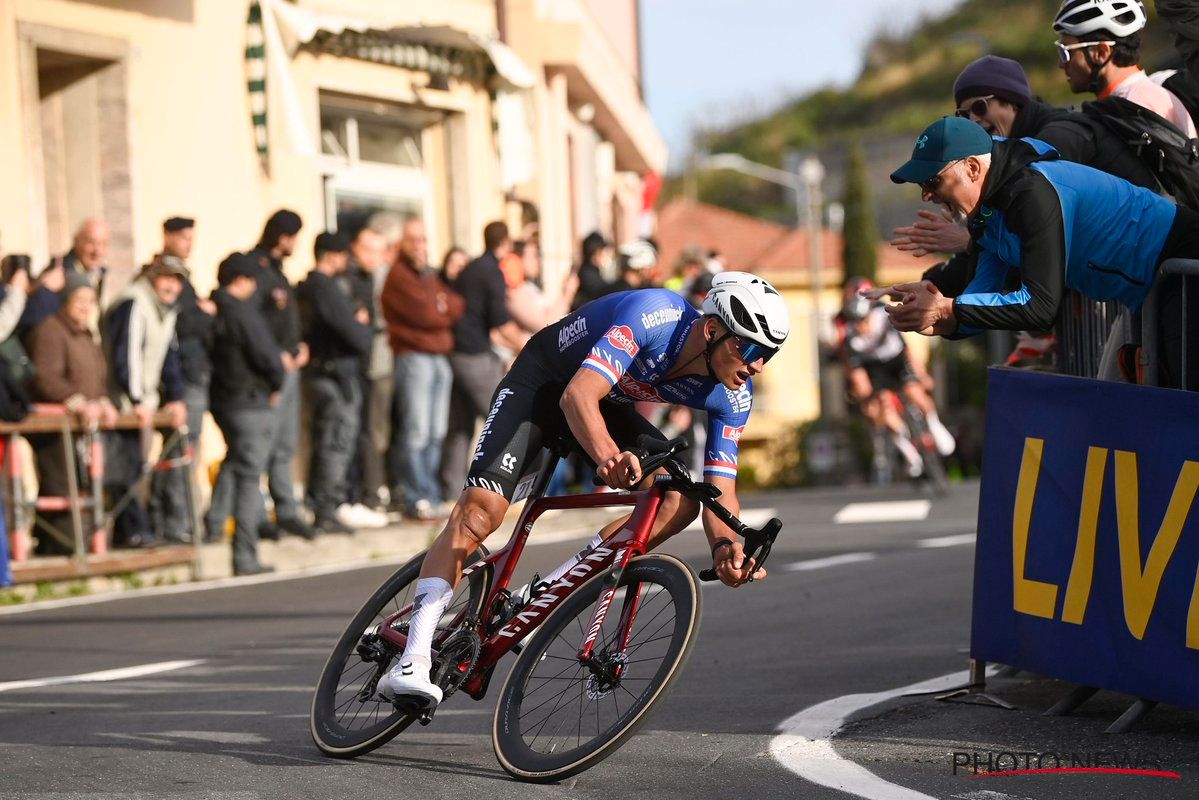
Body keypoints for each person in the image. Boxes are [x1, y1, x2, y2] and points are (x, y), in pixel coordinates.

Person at [377, 272, 789, 706]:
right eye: (750, 348)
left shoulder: (734, 394)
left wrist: (726, 549)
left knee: (680, 496)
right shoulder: (655, 315)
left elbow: (720, 486)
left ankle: (543, 594)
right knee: (481, 513)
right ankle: (413, 657)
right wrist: (609, 456)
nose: (757, 364)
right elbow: (578, 396)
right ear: (712, 330)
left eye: (769, 355)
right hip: (543, 383)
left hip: (606, 403)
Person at [871, 116, 1199, 390]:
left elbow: (1039, 305)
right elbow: (982, 295)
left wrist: (948, 308)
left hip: (1181, 262)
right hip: (1151, 288)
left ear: (972, 168)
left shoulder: (1031, 194)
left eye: (933, 181)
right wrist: (939, 321)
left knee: (1182, 403)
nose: (927, 195)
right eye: (921, 186)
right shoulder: (988, 211)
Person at [893, 54, 1159, 259]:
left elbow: (1034, 232)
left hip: (1149, 251)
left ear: (1012, 101)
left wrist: (969, 238)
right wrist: (932, 286)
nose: (974, 120)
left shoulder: (1056, 139)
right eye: (964, 115)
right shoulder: (1015, 155)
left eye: (980, 107)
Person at [206, 253, 287, 575]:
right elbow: (266, 354)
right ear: (242, 281)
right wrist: (277, 380)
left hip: (224, 401)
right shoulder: (241, 312)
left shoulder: (211, 309)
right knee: (249, 476)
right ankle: (245, 556)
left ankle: (213, 526)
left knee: (234, 462)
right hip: (249, 401)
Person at [27, 276, 118, 555]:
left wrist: (103, 400)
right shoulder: (51, 330)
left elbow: (97, 376)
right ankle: (59, 546)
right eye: (79, 300)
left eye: (89, 301)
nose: (84, 306)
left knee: (85, 486)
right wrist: (77, 401)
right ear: (66, 300)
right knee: (60, 485)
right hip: (55, 424)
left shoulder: (86, 333)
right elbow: (45, 377)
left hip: (83, 425)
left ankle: (77, 543)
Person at [382, 217, 464, 520]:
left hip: (439, 358)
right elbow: (428, 315)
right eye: (413, 240)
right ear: (402, 243)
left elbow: (455, 305)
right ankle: (414, 495)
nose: (419, 246)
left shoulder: (429, 276)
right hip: (414, 358)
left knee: (436, 431)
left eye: (423, 239)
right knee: (415, 431)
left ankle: (430, 492)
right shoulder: (398, 277)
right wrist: (439, 308)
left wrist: (440, 307)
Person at [103, 259, 189, 547]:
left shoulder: (166, 311)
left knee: (137, 466)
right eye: (166, 278)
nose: (172, 286)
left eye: (177, 280)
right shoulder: (134, 303)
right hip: (123, 403)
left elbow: (168, 357)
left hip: (146, 403)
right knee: (125, 468)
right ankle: (133, 531)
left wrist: (175, 397)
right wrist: (136, 398)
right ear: (152, 278)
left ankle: (135, 529)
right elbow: (125, 355)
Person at [836, 280, 955, 479]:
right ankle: (907, 448)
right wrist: (866, 397)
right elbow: (857, 374)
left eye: (864, 321)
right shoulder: (851, 338)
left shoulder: (883, 316)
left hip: (896, 360)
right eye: (857, 323)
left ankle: (935, 425)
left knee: (914, 392)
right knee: (880, 405)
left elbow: (907, 351)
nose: (862, 327)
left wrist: (923, 375)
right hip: (875, 368)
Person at [438, 221, 521, 507]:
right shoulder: (491, 272)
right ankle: (501, 493)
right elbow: (500, 322)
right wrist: (527, 344)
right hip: (473, 355)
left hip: (455, 353)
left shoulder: (472, 268)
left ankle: (451, 492)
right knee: (503, 420)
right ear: (505, 244)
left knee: (459, 427)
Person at [244, 209, 313, 540]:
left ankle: (286, 510)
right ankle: (257, 515)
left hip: (290, 369)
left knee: (285, 444)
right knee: (262, 445)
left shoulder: (278, 272)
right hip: (268, 373)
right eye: (294, 237)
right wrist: (277, 357)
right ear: (282, 237)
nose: (296, 244)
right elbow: (254, 326)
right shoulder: (254, 270)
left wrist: (299, 346)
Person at [297, 233, 373, 534]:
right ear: (332, 255)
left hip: (326, 373)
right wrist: (361, 325)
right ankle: (326, 508)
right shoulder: (323, 287)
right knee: (336, 442)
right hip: (334, 375)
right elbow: (353, 332)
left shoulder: (310, 287)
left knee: (329, 440)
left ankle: (323, 505)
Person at [148, 216, 213, 543]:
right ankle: (173, 521)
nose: (189, 243)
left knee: (186, 451)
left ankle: (179, 518)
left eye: (192, 237)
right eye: (184, 237)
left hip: (191, 375)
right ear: (167, 236)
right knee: (180, 450)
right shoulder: (160, 274)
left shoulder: (182, 277)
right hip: (180, 379)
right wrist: (204, 313)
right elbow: (188, 325)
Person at [1054, 0, 1197, 135]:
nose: (1061, 64)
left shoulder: (1137, 107)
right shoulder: (1141, 95)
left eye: (1065, 52)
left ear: (1101, 52)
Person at [342, 223, 393, 521]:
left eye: (379, 251)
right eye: (369, 250)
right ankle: (370, 493)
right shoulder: (351, 279)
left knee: (378, 430)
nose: (376, 257)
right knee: (368, 432)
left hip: (378, 362)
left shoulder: (375, 276)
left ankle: (375, 490)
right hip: (364, 365)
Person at [20, 219, 110, 337]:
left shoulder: (98, 274)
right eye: (91, 242)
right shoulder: (58, 272)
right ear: (76, 241)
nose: (97, 251)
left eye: (103, 244)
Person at [569, 230, 613, 311]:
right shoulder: (586, 273)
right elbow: (601, 291)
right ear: (596, 253)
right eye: (604, 252)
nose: (607, 256)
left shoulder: (592, 271)